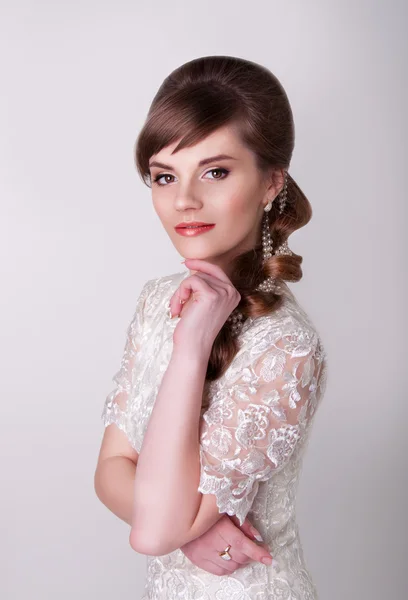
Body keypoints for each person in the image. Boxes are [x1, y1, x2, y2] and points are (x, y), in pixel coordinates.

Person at [95, 55, 328, 600]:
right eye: (164, 176)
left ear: (272, 183)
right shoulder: (158, 301)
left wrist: (194, 344)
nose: (185, 200)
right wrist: (194, 532)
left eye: (216, 171)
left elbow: (154, 528)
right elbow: (109, 470)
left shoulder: (286, 345)